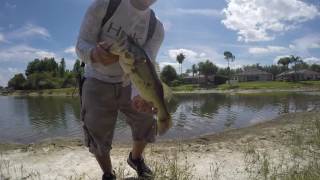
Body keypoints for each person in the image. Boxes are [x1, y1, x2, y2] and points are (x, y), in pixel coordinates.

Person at [75, 0, 164, 179]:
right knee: (97, 133)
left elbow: (147, 65)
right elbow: (81, 44)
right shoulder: (103, 5)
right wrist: (94, 54)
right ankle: (108, 173)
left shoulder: (157, 28)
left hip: (130, 81)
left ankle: (136, 158)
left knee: (146, 120)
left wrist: (140, 94)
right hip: (96, 79)